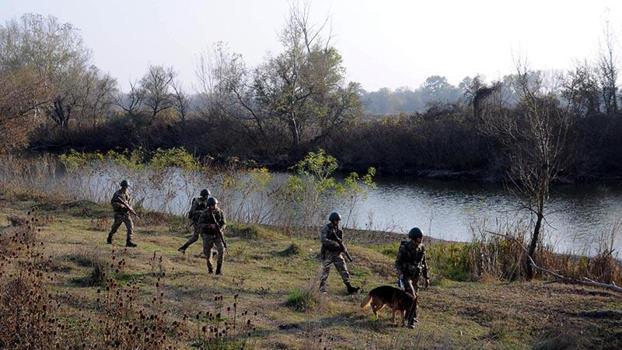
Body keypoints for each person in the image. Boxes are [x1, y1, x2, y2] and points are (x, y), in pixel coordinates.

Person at [395, 227, 430, 328]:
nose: (421, 240)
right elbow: (397, 263)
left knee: (415, 298)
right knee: (412, 296)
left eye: (421, 238)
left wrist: (426, 277)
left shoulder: (421, 248)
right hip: (406, 275)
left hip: (416, 276)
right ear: (414, 238)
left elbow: (424, 263)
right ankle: (410, 320)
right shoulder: (404, 248)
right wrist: (400, 273)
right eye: (419, 238)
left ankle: (411, 317)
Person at [319, 212, 360, 294]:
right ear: (332, 220)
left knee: (344, 270)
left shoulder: (339, 229)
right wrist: (334, 243)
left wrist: (343, 249)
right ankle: (322, 288)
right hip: (328, 253)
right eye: (336, 220)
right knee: (325, 271)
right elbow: (323, 239)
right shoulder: (326, 228)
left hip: (337, 253)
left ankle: (349, 287)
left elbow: (341, 241)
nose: (337, 222)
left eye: (338, 220)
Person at [196, 197, 226, 274]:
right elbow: (199, 224)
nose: (215, 206)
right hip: (207, 235)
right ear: (209, 205)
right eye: (213, 205)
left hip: (218, 234)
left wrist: (220, 228)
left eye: (215, 205)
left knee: (222, 250)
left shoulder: (220, 212)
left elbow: (224, 223)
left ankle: (219, 270)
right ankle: (210, 269)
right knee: (207, 253)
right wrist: (209, 225)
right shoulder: (205, 213)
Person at [178, 188, 211, 253]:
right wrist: (202, 212)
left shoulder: (207, 202)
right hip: (197, 221)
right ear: (203, 195)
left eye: (208, 195)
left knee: (196, 237)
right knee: (204, 236)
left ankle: (183, 248)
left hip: (202, 221)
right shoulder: (197, 201)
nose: (207, 197)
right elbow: (192, 212)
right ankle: (207, 252)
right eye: (206, 195)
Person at [107, 180, 137, 247]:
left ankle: (129, 241)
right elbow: (113, 203)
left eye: (126, 186)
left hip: (126, 214)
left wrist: (130, 209)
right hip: (119, 214)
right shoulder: (117, 194)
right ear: (122, 186)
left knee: (130, 227)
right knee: (115, 228)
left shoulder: (127, 194)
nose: (125, 188)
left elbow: (129, 204)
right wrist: (121, 205)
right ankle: (110, 237)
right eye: (124, 186)